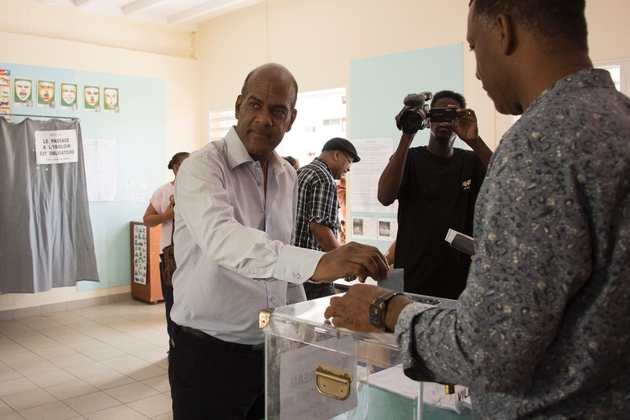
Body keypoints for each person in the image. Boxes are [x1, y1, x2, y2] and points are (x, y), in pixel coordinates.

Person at [325, 0, 630, 418]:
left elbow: (490, 348)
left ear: (503, 30)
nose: (480, 70)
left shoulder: (537, 147)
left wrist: (384, 309)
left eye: (474, 46)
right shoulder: (618, 119)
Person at [169, 63, 388, 420]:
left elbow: (279, 268)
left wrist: (310, 322)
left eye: (277, 111)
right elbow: (224, 240)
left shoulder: (288, 176)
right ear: (239, 105)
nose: (264, 119)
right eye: (255, 105)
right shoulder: (202, 167)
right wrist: (319, 264)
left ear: (291, 118)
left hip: (272, 350)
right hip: (208, 358)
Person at [378, 90, 492, 300]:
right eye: (439, 116)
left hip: (460, 281)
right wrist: (407, 134)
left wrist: (475, 140)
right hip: (413, 278)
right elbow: (384, 196)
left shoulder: (471, 162)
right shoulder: (410, 159)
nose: (445, 123)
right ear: (428, 120)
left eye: (452, 117)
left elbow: (504, 180)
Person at [295, 137, 360, 299]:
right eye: (349, 162)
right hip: (315, 273)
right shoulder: (324, 178)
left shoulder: (301, 172)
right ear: (337, 155)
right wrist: (343, 260)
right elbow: (319, 228)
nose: (348, 169)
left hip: (296, 269)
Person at [142, 152, 190, 346]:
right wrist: (167, 215)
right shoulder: (163, 191)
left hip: (194, 257)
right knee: (172, 303)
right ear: (177, 168)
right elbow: (147, 220)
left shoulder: (198, 188)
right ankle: (174, 345)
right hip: (171, 258)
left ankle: (188, 346)